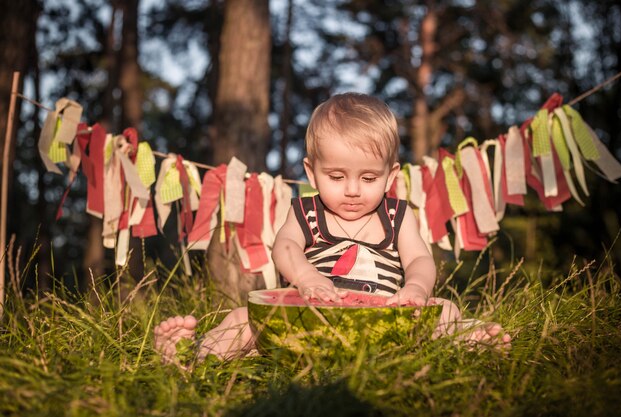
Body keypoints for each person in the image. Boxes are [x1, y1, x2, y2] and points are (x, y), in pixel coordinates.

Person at [154, 93, 512, 363]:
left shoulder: (398, 215)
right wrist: (308, 279)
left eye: (369, 177)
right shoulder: (306, 211)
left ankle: (473, 341)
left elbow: (420, 259)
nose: (353, 189)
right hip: (306, 320)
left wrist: (416, 287)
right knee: (243, 318)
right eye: (336, 176)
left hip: (385, 324)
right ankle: (194, 355)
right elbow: (286, 248)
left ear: (390, 175)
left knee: (444, 310)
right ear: (311, 173)